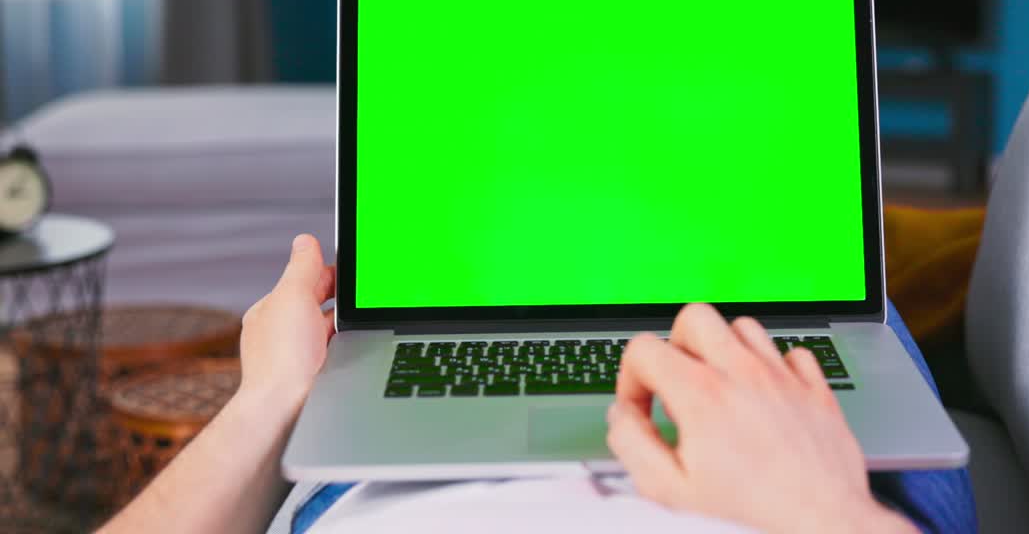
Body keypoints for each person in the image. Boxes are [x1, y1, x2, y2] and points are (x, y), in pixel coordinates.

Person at [99, 236, 975, 534]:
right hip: (791, 483)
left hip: (393, 493)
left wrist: (268, 399)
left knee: (454, 278)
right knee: (819, 290)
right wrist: (829, 512)